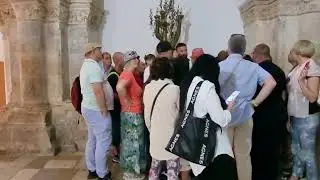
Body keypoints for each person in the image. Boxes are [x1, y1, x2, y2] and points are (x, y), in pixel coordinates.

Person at [219, 34, 276, 180]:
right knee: (243, 155)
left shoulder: (220, 66)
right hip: (245, 114)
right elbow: (271, 83)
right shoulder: (253, 66)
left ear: (229, 47)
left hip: (225, 114)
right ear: (244, 49)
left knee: (225, 155)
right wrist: (255, 102)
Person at [179, 54, 237, 180]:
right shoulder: (207, 88)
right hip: (213, 148)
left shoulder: (191, 83)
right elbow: (220, 119)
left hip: (196, 145)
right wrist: (229, 109)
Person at [250, 43, 287, 180]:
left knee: (258, 151)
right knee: (273, 151)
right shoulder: (279, 71)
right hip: (277, 115)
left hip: (259, 115)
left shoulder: (256, 71)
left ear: (257, 54)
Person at [287, 40, 320, 180]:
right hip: (296, 115)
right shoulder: (297, 67)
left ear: (298, 51)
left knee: (308, 154)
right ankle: (295, 175)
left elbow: (312, 97)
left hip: (307, 117)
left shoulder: (312, 68)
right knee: (296, 150)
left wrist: (301, 82)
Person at [144, 57, 180, 180]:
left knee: (154, 168)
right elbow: (180, 114)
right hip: (171, 137)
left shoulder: (147, 88)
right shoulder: (175, 89)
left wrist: (152, 130)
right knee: (172, 171)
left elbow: (147, 116)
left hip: (155, 134)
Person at [80, 43, 112, 180]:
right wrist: (104, 109)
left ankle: (92, 168)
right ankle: (102, 173)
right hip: (96, 109)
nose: (101, 51)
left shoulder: (87, 65)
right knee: (103, 140)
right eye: (99, 49)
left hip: (89, 108)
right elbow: (98, 91)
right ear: (93, 51)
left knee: (93, 139)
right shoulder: (93, 67)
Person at [116, 50, 146, 180]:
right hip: (132, 115)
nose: (138, 61)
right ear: (131, 61)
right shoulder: (128, 74)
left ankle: (132, 172)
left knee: (132, 144)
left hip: (131, 114)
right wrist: (126, 100)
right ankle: (132, 173)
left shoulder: (128, 74)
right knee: (134, 145)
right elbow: (119, 87)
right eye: (136, 58)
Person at [108, 52, 124, 163]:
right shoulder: (113, 75)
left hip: (120, 108)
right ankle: (115, 155)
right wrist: (122, 97)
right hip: (115, 109)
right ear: (118, 61)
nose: (125, 61)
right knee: (116, 131)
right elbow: (110, 92)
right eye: (123, 59)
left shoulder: (121, 73)